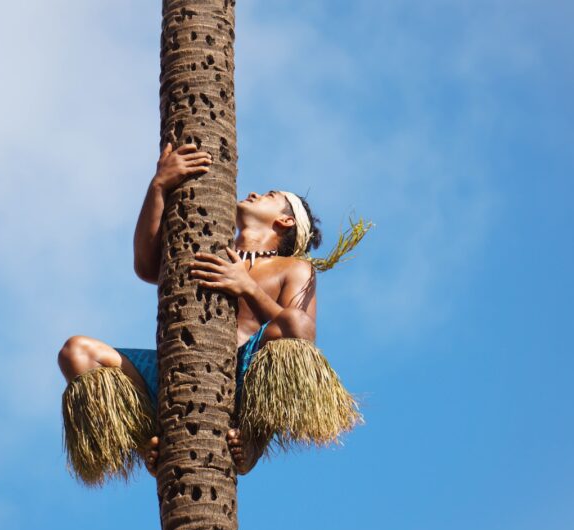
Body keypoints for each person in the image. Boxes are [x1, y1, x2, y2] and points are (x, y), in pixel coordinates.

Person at [58, 143, 366, 484]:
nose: (254, 192)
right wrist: (158, 185)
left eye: (269, 195)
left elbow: (301, 331)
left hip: (244, 377)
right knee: (76, 353)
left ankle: (252, 438)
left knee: (291, 326)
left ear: (286, 220)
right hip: (179, 372)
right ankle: (150, 439)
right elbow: (147, 266)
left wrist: (245, 286)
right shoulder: (203, 244)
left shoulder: (292, 268)